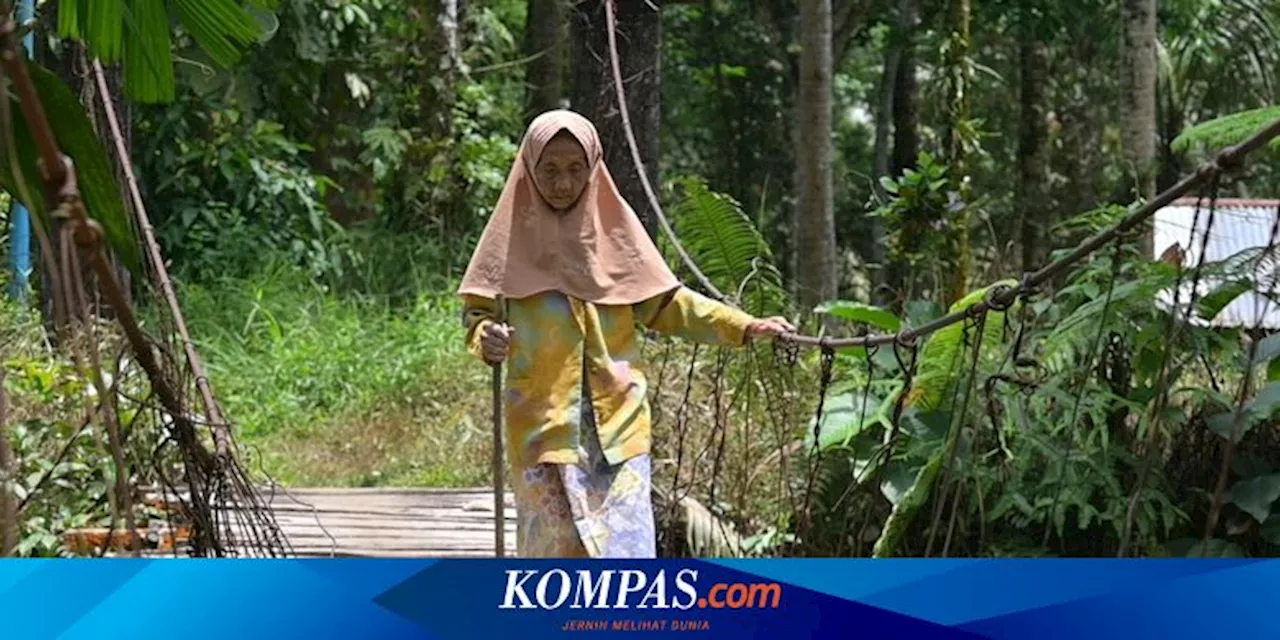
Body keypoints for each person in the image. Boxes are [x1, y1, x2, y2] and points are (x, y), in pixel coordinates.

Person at [457, 110, 794, 558]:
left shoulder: (617, 235)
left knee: (625, 560)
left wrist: (746, 325)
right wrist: (487, 337)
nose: (563, 183)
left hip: (619, 428)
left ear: (594, 167)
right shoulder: (507, 242)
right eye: (550, 170)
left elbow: (669, 305)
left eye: (576, 169)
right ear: (529, 169)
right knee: (553, 562)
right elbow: (477, 316)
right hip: (543, 432)